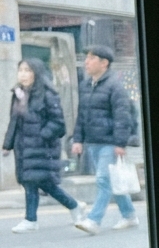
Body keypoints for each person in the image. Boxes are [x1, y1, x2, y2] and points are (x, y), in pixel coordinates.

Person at [2, 58, 86, 233]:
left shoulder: (47, 94)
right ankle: (74, 206)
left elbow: (58, 124)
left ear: (36, 73)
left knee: (35, 182)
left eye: (28, 71)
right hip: (23, 147)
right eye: (21, 70)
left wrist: (41, 136)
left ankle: (31, 219)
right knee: (36, 182)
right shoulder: (19, 94)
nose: (23, 75)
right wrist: (7, 144)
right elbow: (14, 122)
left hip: (42, 147)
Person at [71, 46, 137, 234]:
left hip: (110, 142)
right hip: (93, 141)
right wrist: (78, 140)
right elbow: (81, 115)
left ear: (104, 63)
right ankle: (129, 215)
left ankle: (93, 220)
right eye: (87, 58)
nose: (86, 62)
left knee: (103, 179)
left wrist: (120, 143)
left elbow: (122, 116)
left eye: (91, 58)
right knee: (111, 180)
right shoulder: (85, 85)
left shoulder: (115, 86)